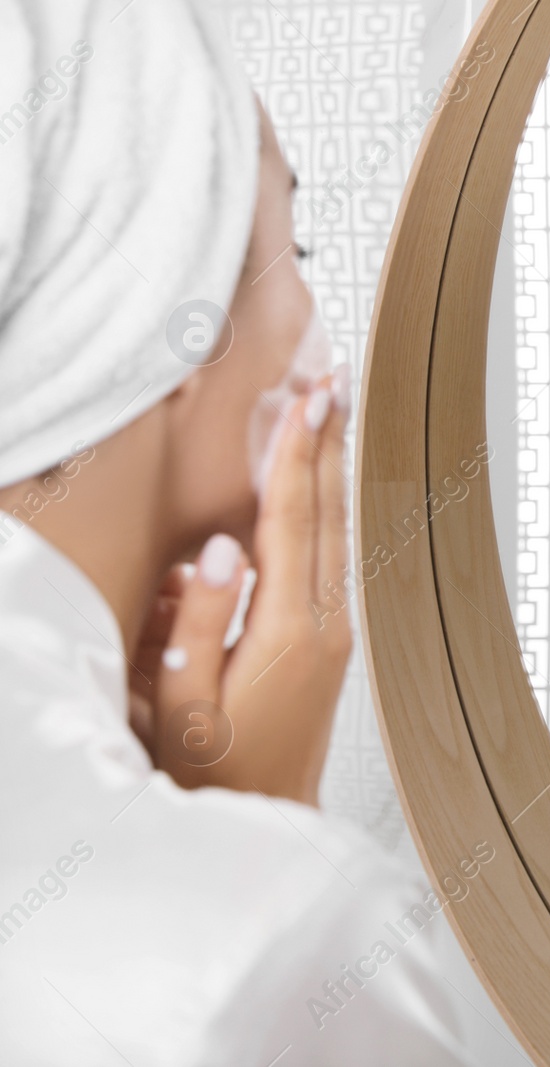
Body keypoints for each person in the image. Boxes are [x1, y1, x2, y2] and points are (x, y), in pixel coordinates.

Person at [0, 1, 483, 1062]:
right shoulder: (280, 939)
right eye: (291, 244)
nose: (327, 356)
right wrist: (271, 855)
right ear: (164, 306)